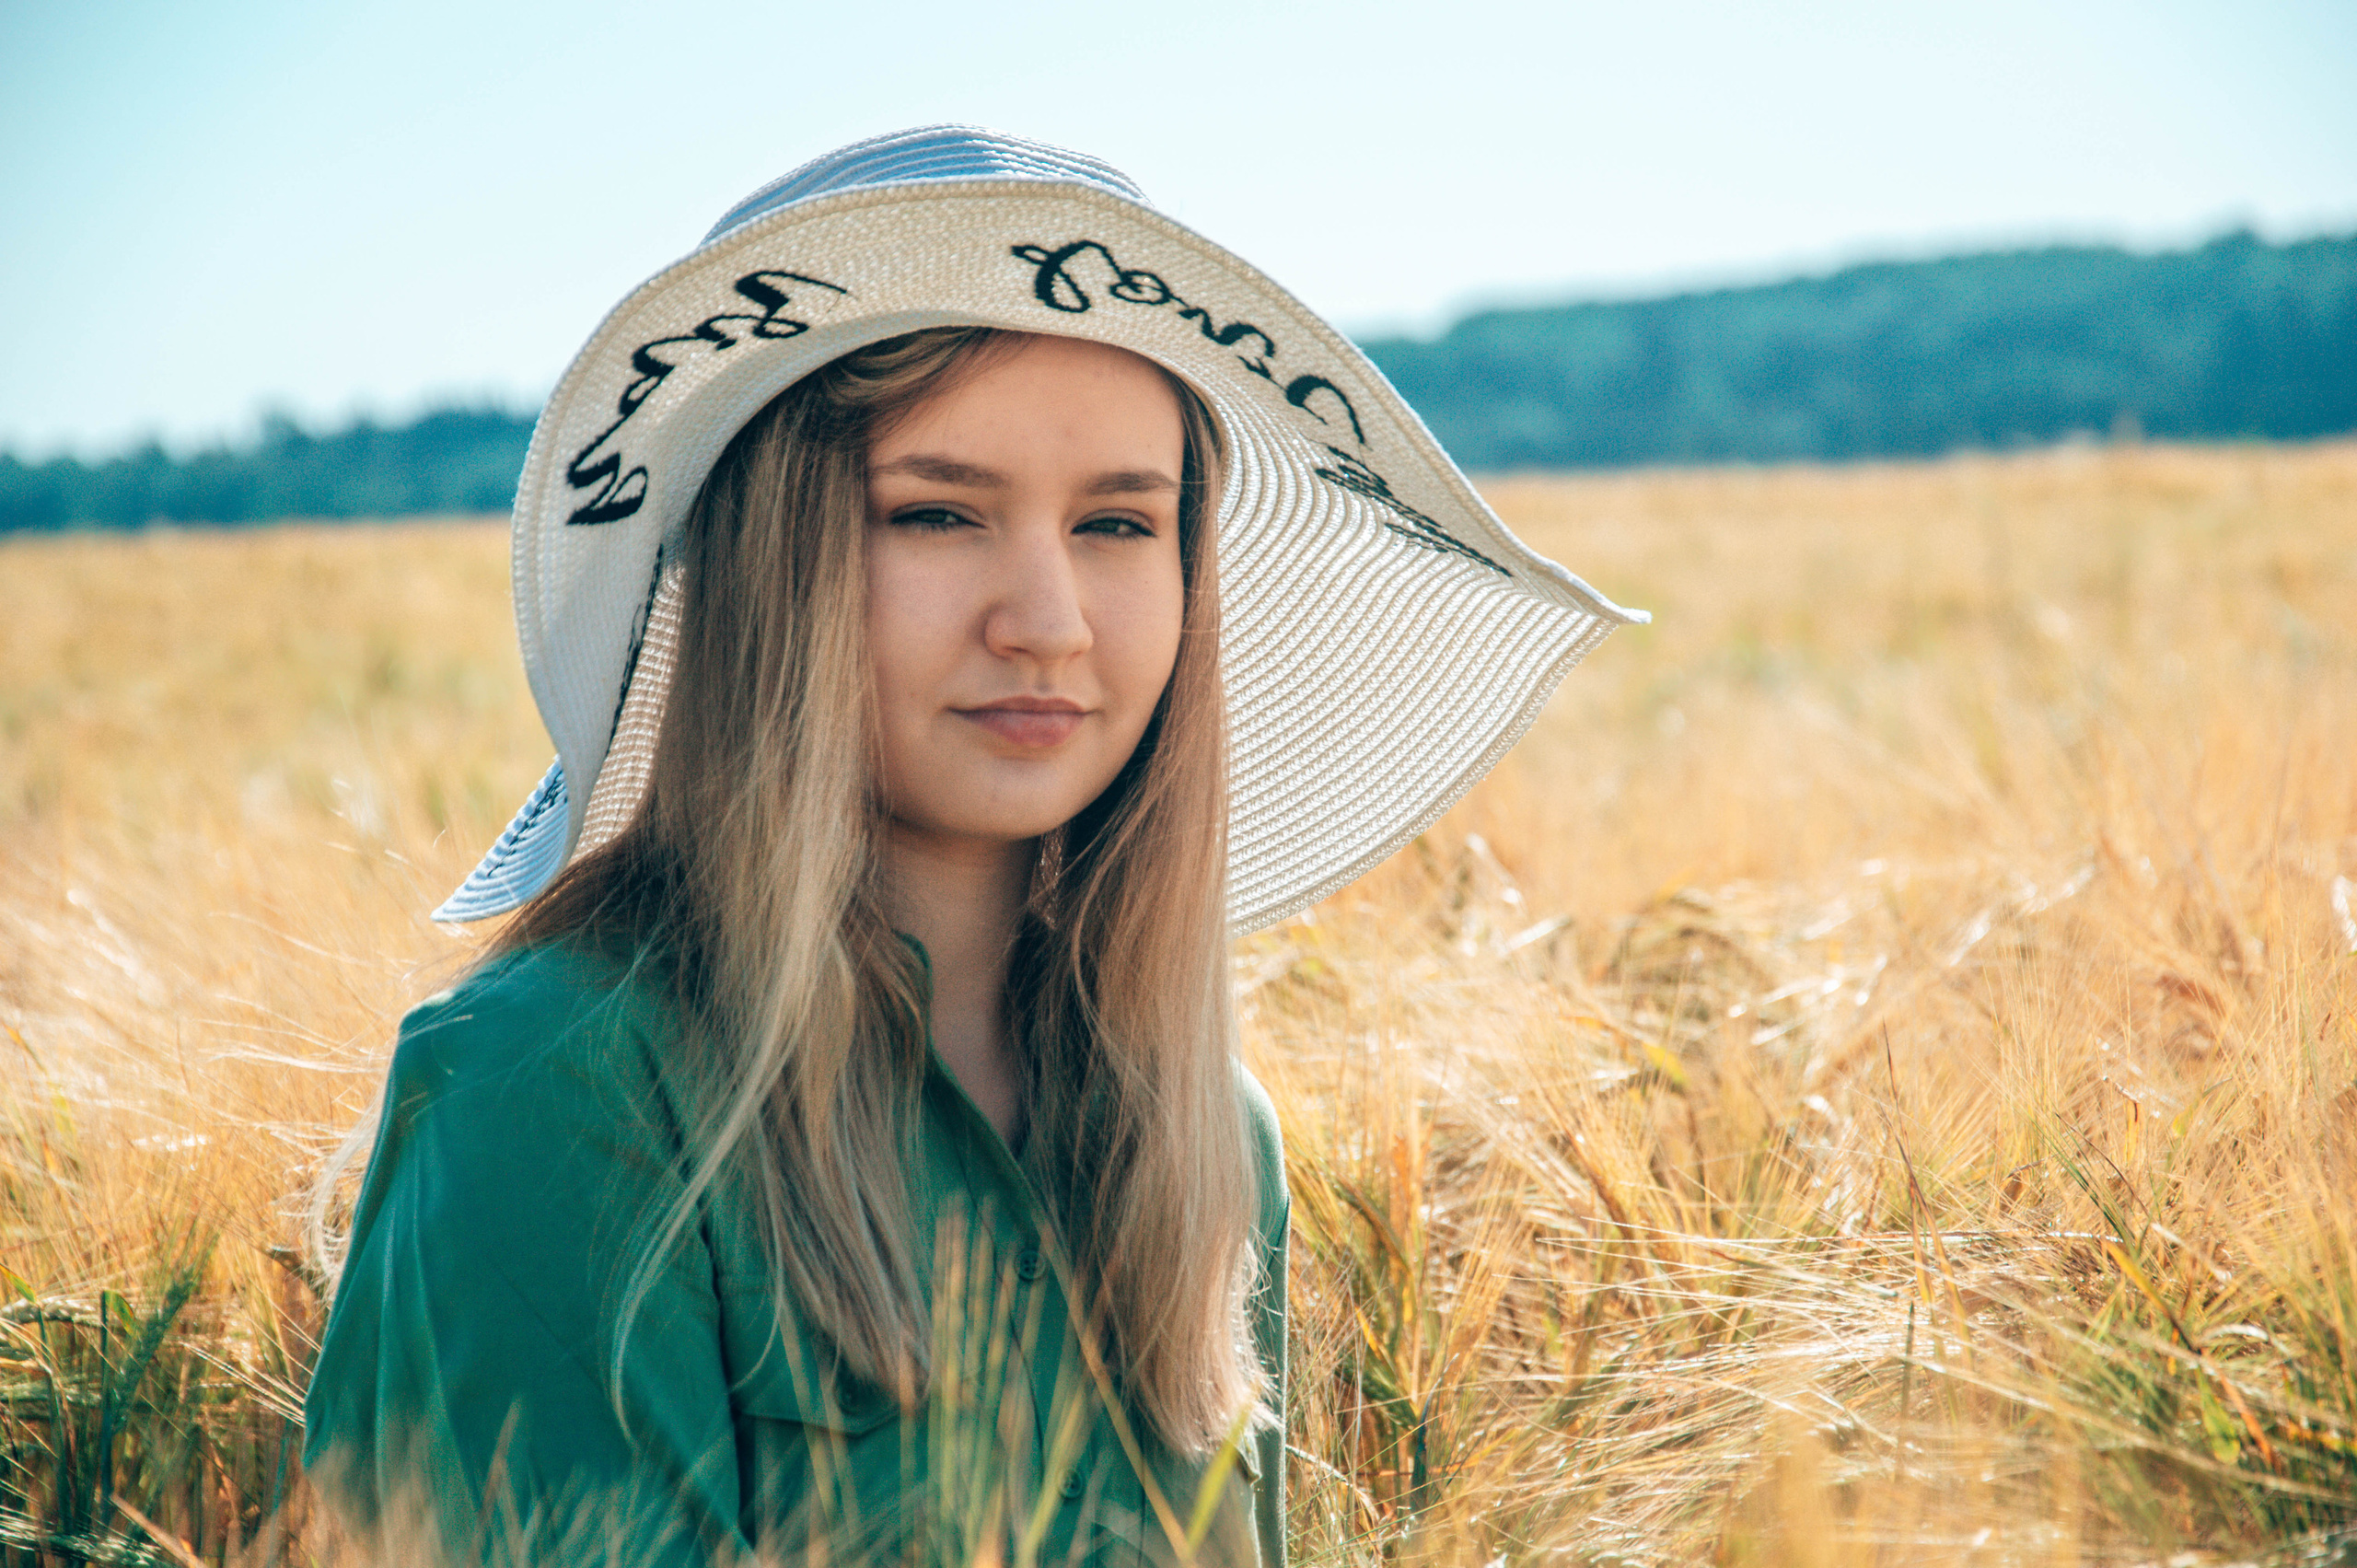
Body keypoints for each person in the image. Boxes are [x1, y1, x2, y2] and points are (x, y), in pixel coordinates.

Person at [301, 127, 1642, 1568]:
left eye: (1122, 522)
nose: (1050, 620)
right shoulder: (556, 1084)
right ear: (769, 560)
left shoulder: (1201, 1136)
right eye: (937, 513)